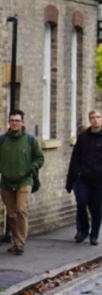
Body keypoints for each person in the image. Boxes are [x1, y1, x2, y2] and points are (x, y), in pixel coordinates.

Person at [66, 109, 102, 245]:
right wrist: (73, 176)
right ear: (90, 120)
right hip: (82, 177)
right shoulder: (83, 137)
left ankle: (94, 234)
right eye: (93, 117)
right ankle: (83, 230)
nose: (95, 119)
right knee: (81, 202)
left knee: (95, 207)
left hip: (98, 179)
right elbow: (75, 157)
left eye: (98, 117)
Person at [0, 109, 44, 255]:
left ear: (23, 123)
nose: (14, 123)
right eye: (12, 120)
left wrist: (31, 168)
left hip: (25, 180)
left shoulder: (30, 140)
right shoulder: (2, 140)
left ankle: (20, 243)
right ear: (8, 122)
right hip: (6, 181)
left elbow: (39, 158)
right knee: (12, 213)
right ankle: (15, 240)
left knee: (21, 209)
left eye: (17, 120)